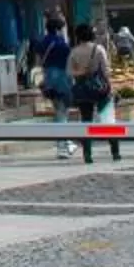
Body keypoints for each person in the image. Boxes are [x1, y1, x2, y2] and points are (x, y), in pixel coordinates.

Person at [66, 24, 122, 165]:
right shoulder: (99, 49)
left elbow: (69, 72)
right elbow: (106, 70)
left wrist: (81, 72)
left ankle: (87, 154)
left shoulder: (74, 52)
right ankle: (115, 152)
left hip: (83, 88)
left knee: (86, 121)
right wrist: (111, 88)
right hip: (100, 87)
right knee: (108, 120)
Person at [36, 14, 76, 161]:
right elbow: (70, 63)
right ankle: (63, 145)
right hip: (61, 81)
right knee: (62, 112)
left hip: (48, 80)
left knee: (59, 111)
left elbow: (39, 58)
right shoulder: (61, 45)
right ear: (59, 29)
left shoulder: (43, 42)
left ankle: (66, 143)